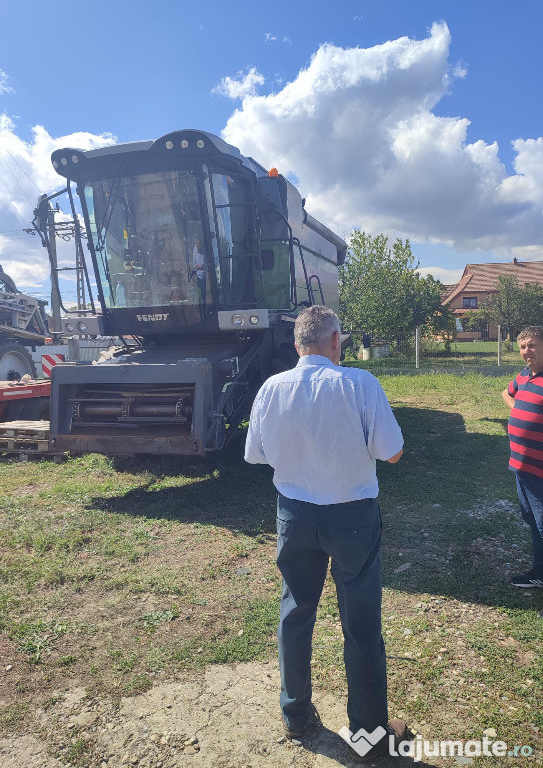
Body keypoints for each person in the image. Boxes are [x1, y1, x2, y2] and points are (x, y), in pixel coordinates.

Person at [244, 305, 412, 761]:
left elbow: (255, 454)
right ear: (336, 341)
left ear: (297, 345)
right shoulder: (359, 384)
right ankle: (371, 732)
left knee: (295, 614)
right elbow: (392, 453)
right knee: (360, 625)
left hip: (294, 513)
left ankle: (296, 715)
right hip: (352, 515)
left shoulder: (272, 388)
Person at [502, 326, 543, 588]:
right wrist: (520, 410)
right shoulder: (525, 375)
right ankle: (539, 571)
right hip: (521, 463)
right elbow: (505, 393)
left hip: (539, 468)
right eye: (523, 347)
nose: (527, 352)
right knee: (531, 518)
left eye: (533, 345)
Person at [192, 239, 207, 320]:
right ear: (196, 244)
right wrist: (200, 266)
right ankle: (199, 308)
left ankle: (205, 309)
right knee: (199, 294)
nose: (199, 246)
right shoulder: (194, 252)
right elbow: (194, 265)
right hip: (198, 276)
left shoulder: (204, 250)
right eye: (197, 244)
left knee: (204, 294)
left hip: (205, 275)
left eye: (200, 244)